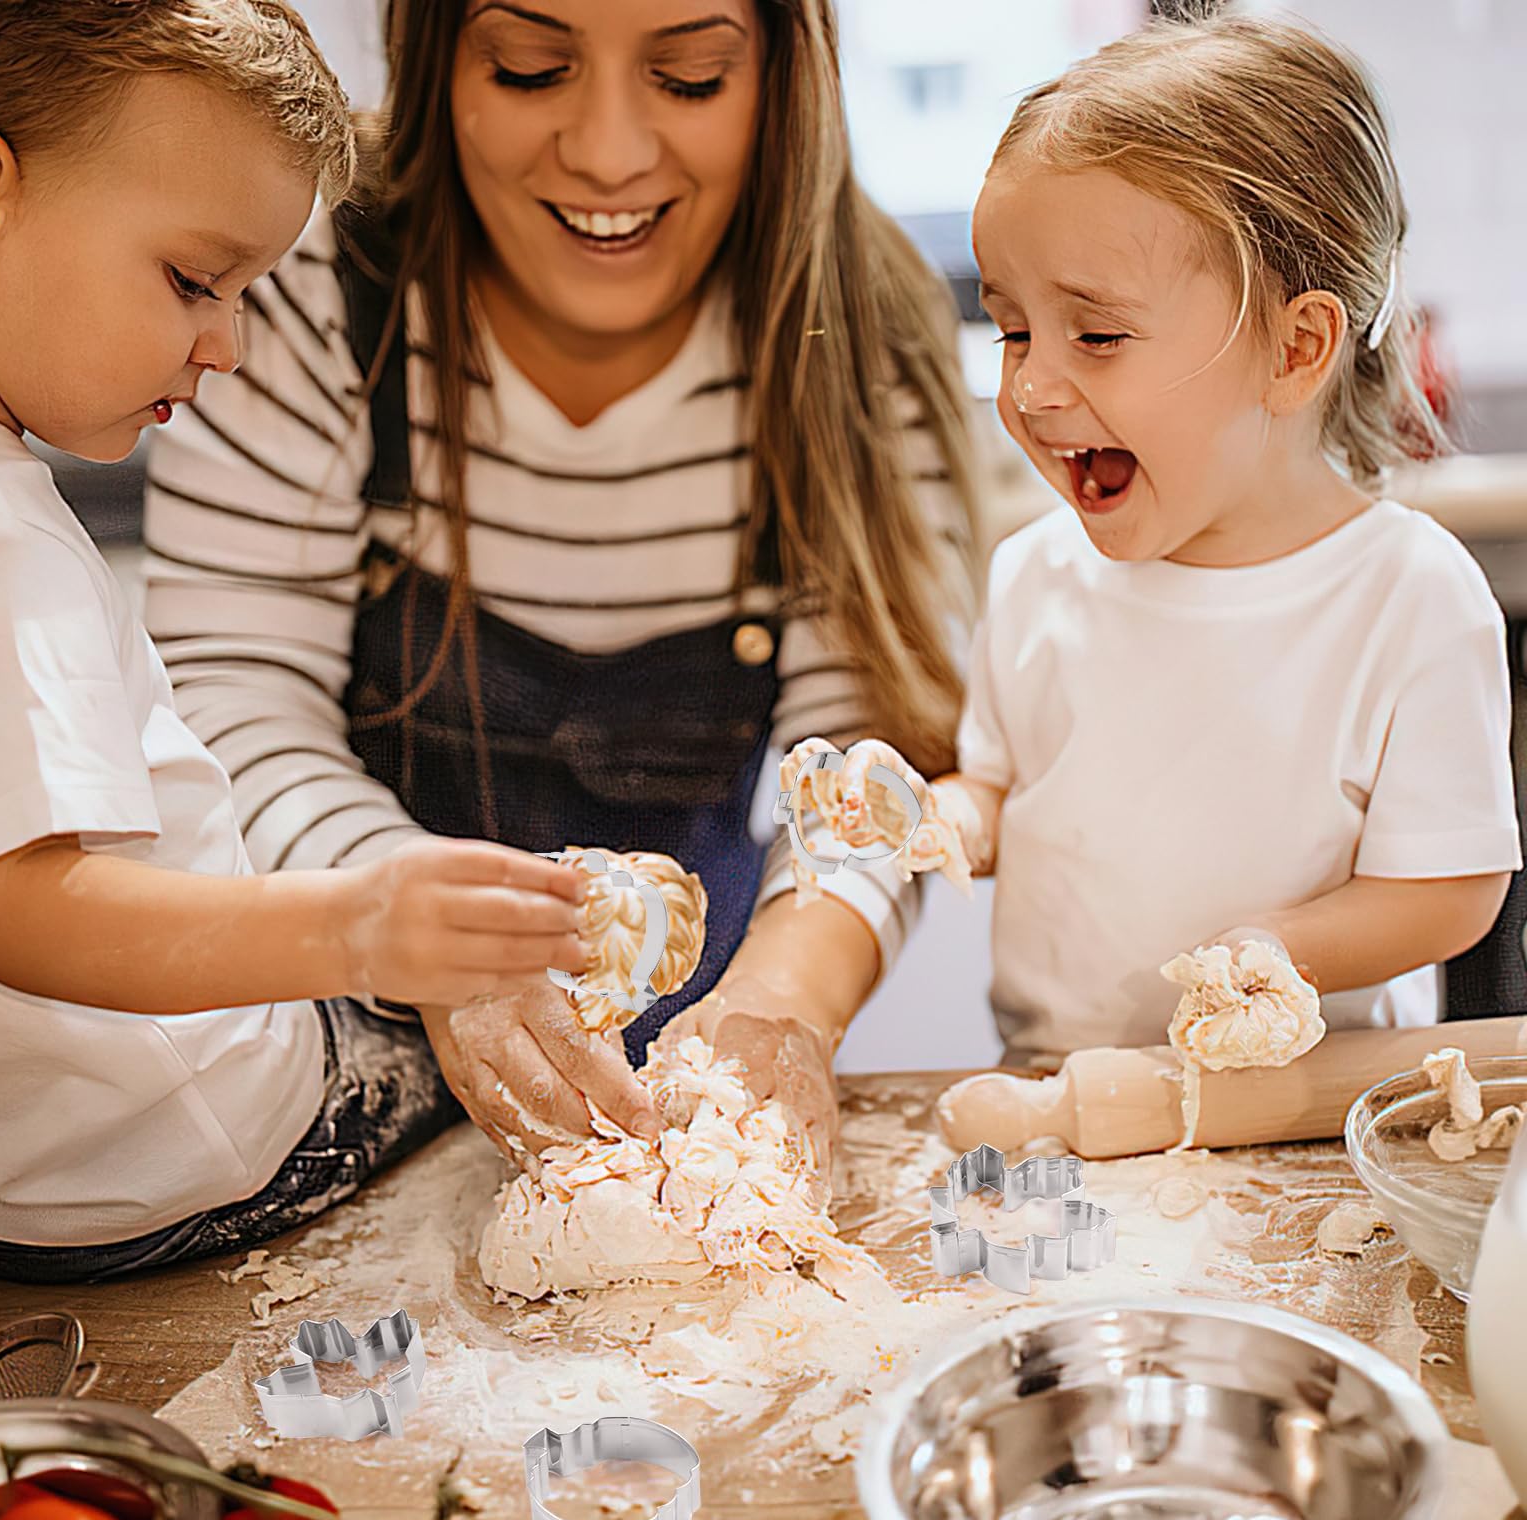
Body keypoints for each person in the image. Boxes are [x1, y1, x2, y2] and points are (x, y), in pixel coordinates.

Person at [143, 0, 1010, 1172]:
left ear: (784, 76)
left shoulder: (849, 327)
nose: (607, 153)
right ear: (433, 57)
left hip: (692, 1042)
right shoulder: (312, 283)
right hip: (336, 1039)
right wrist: (428, 940)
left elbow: (867, 771)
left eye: (690, 78)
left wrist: (785, 998)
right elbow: (232, 698)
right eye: (530, 68)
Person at [0, 0, 598, 1282]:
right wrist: (361, 926)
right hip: (175, 1159)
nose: (226, 346)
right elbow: (21, 911)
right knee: (508, 1060)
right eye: (194, 281)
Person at [926, 13, 1521, 1061]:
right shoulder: (1034, 576)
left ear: (1294, 350)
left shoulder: (1408, 596)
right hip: (1057, 1088)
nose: (1030, 386)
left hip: (1304, 1113)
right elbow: (997, 784)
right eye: (1014, 329)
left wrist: (1278, 949)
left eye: (1095, 334)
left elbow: (1452, 889)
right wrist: (948, 819)